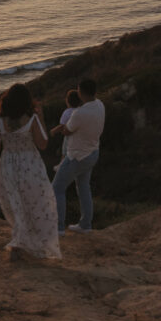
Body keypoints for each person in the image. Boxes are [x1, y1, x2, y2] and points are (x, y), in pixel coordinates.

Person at [0, 83, 61, 260]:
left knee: (17, 205)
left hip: (8, 165)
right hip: (30, 166)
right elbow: (43, 144)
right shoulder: (32, 119)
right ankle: (30, 243)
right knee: (36, 204)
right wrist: (41, 119)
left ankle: (19, 242)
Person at [51, 78, 105, 235]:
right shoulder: (100, 105)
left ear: (81, 92)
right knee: (83, 187)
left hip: (77, 156)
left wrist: (58, 130)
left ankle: (59, 227)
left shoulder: (79, 113)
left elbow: (67, 130)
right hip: (92, 152)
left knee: (57, 188)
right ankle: (86, 224)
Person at [53, 89, 83, 172]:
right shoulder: (80, 110)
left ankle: (61, 165)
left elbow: (62, 126)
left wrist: (53, 131)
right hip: (79, 135)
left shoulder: (67, 112)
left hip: (68, 135)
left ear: (67, 101)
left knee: (65, 151)